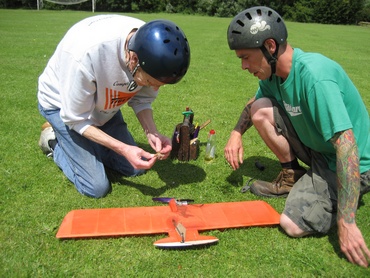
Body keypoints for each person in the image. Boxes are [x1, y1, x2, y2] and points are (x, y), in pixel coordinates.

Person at [224, 6, 370, 267]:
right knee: (259, 109)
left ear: (270, 46)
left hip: (347, 161)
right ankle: (293, 177)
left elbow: (347, 147)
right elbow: (252, 105)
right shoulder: (274, 76)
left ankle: (337, 193)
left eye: (246, 57)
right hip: (318, 149)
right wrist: (236, 133)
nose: (243, 66)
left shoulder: (315, 78)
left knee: (290, 224)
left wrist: (346, 222)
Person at [37, 15, 190, 198]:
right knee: (96, 187)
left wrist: (152, 132)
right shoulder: (86, 54)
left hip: (104, 104)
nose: (155, 88)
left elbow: (141, 100)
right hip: (62, 107)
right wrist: (123, 148)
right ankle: (54, 142)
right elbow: (76, 119)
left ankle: (89, 148)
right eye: (150, 81)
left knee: (135, 168)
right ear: (133, 60)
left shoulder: (148, 46)